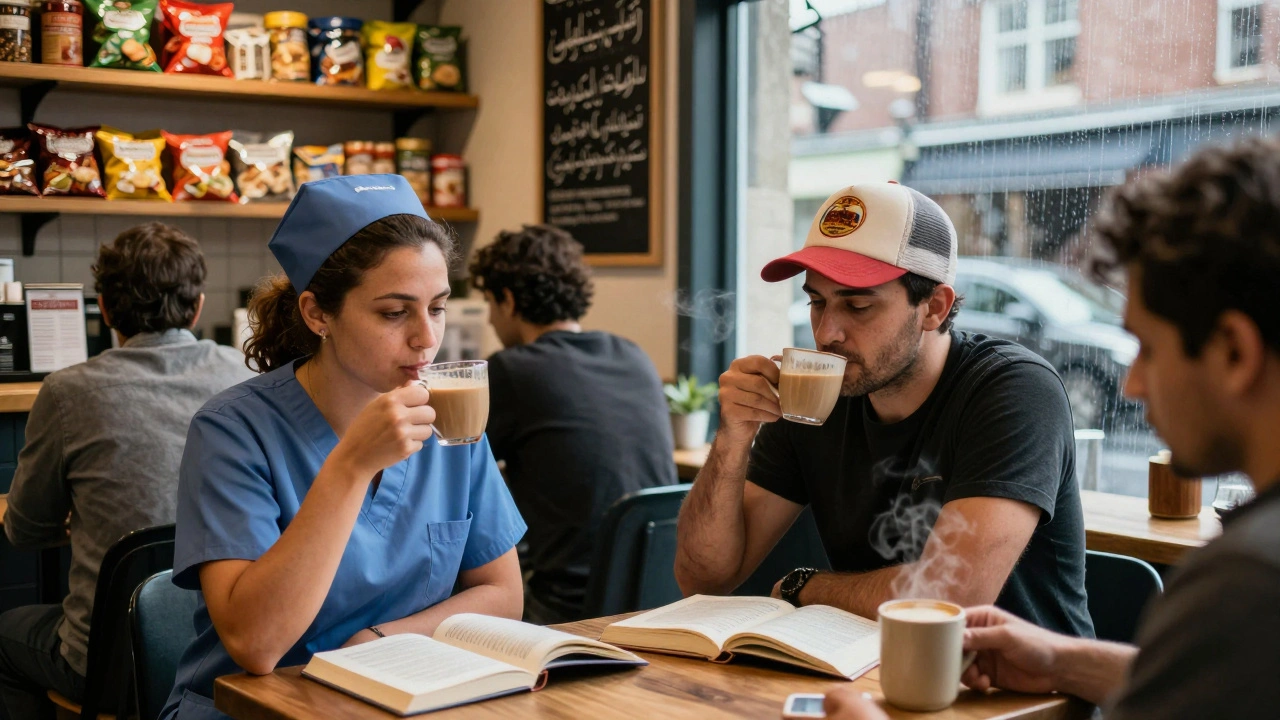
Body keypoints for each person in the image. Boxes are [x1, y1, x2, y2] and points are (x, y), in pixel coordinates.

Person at [823, 137, 1280, 719]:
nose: (1132, 385)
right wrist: (1063, 660)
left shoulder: (1252, 581)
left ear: (1235, 353)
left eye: (1148, 349)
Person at [159, 175, 527, 720]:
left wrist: (381, 641)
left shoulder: (449, 415)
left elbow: (503, 596)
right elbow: (255, 645)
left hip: (398, 701)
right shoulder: (233, 430)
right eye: (394, 312)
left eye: (438, 307)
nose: (427, 337)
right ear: (317, 314)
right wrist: (351, 466)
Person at [674, 181, 1094, 638]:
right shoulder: (818, 393)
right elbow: (704, 578)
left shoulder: (1013, 390)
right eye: (817, 302)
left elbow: (949, 597)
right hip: (872, 677)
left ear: (934, 307)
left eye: (857, 305)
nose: (826, 333)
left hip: (1023, 697)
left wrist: (805, 587)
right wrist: (733, 438)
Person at [0, 222, 253, 720]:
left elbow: (25, 530)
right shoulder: (245, 377)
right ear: (198, 305)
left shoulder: (68, 391)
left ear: (107, 307)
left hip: (109, 668)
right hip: (226, 655)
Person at [469, 224, 677, 625]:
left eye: (490, 306)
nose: (492, 321)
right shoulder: (631, 354)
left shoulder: (511, 370)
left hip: (567, 608)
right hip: (658, 598)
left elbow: (448, 467)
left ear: (508, 301)